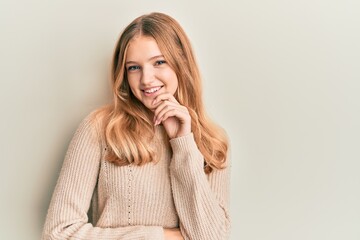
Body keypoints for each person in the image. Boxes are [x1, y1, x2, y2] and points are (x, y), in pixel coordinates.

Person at [41, 12, 230, 240]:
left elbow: (213, 237)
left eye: (159, 62)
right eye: (133, 68)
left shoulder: (213, 142)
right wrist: (162, 236)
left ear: (181, 62)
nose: (146, 79)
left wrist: (183, 143)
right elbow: (58, 233)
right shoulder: (100, 129)